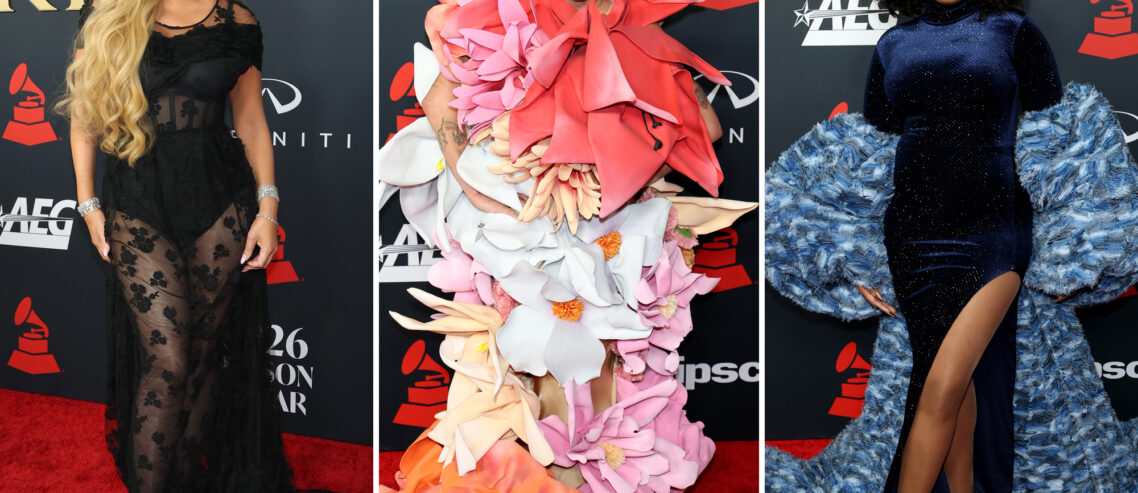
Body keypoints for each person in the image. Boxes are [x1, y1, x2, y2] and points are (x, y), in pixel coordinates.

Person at [766, 0, 1138, 491]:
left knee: (939, 389)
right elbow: (872, 149)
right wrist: (856, 255)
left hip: (994, 232)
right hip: (912, 236)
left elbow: (1059, 133)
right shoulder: (893, 43)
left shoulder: (1013, 29)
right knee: (956, 393)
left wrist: (1074, 247)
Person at [58, 1, 293, 491]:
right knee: (169, 362)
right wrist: (88, 204)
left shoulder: (237, 21)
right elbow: (83, 113)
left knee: (203, 358)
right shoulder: (109, 11)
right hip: (138, 203)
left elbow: (251, 120)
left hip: (219, 202)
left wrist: (268, 208)